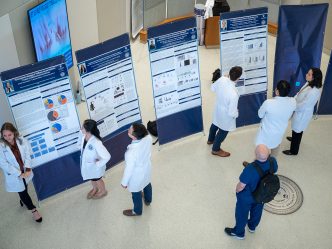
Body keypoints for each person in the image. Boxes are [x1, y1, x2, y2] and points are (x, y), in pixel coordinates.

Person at [225, 144, 278, 239]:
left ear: (255, 155)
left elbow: (241, 185)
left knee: (242, 214)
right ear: (268, 154)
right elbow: (274, 170)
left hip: (247, 197)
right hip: (262, 194)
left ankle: (239, 233)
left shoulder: (249, 169)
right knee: (257, 210)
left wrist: (237, 191)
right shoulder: (272, 161)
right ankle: (252, 226)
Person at [243, 80, 296, 166]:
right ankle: (271, 167)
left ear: (277, 91)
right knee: (274, 152)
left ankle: (255, 168)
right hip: (279, 132)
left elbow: (260, 115)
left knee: (261, 153)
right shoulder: (293, 102)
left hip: (266, 134)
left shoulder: (269, 103)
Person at [0, 122, 42, 222]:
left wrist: (27, 169)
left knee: (24, 187)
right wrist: (19, 174)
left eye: (9, 135)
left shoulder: (21, 140)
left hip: (25, 170)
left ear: (14, 132)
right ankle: (34, 210)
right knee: (22, 191)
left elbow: (28, 154)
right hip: (15, 174)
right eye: (4, 135)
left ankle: (23, 200)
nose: (7, 138)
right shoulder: (1, 146)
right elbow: (3, 164)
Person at [283, 68, 323, 155]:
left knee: (298, 129)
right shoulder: (309, 83)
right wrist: (293, 100)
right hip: (299, 109)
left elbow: (304, 105)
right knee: (297, 129)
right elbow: (299, 93)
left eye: (309, 74)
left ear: (314, 78)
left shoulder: (314, 92)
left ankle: (293, 151)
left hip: (302, 113)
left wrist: (293, 106)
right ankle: (294, 138)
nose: (306, 75)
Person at [207, 66, 242, 157]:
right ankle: (216, 149)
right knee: (222, 131)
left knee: (215, 124)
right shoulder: (234, 94)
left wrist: (224, 78)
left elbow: (212, 88)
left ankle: (210, 140)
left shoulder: (222, 79)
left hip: (218, 108)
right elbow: (231, 113)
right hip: (226, 115)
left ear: (229, 73)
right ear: (238, 78)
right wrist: (236, 113)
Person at [121, 123, 152, 216]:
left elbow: (129, 170)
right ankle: (148, 200)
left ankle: (137, 211)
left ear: (133, 137)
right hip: (147, 168)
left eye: (130, 130)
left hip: (136, 175)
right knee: (147, 184)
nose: (128, 130)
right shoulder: (149, 138)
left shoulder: (131, 152)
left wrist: (124, 183)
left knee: (136, 193)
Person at [80, 119, 111, 199]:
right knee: (91, 177)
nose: (81, 129)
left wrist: (98, 164)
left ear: (88, 130)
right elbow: (81, 146)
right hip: (88, 165)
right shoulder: (83, 136)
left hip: (95, 166)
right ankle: (95, 189)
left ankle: (103, 191)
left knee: (97, 179)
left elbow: (107, 156)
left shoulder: (96, 142)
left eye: (82, 127)